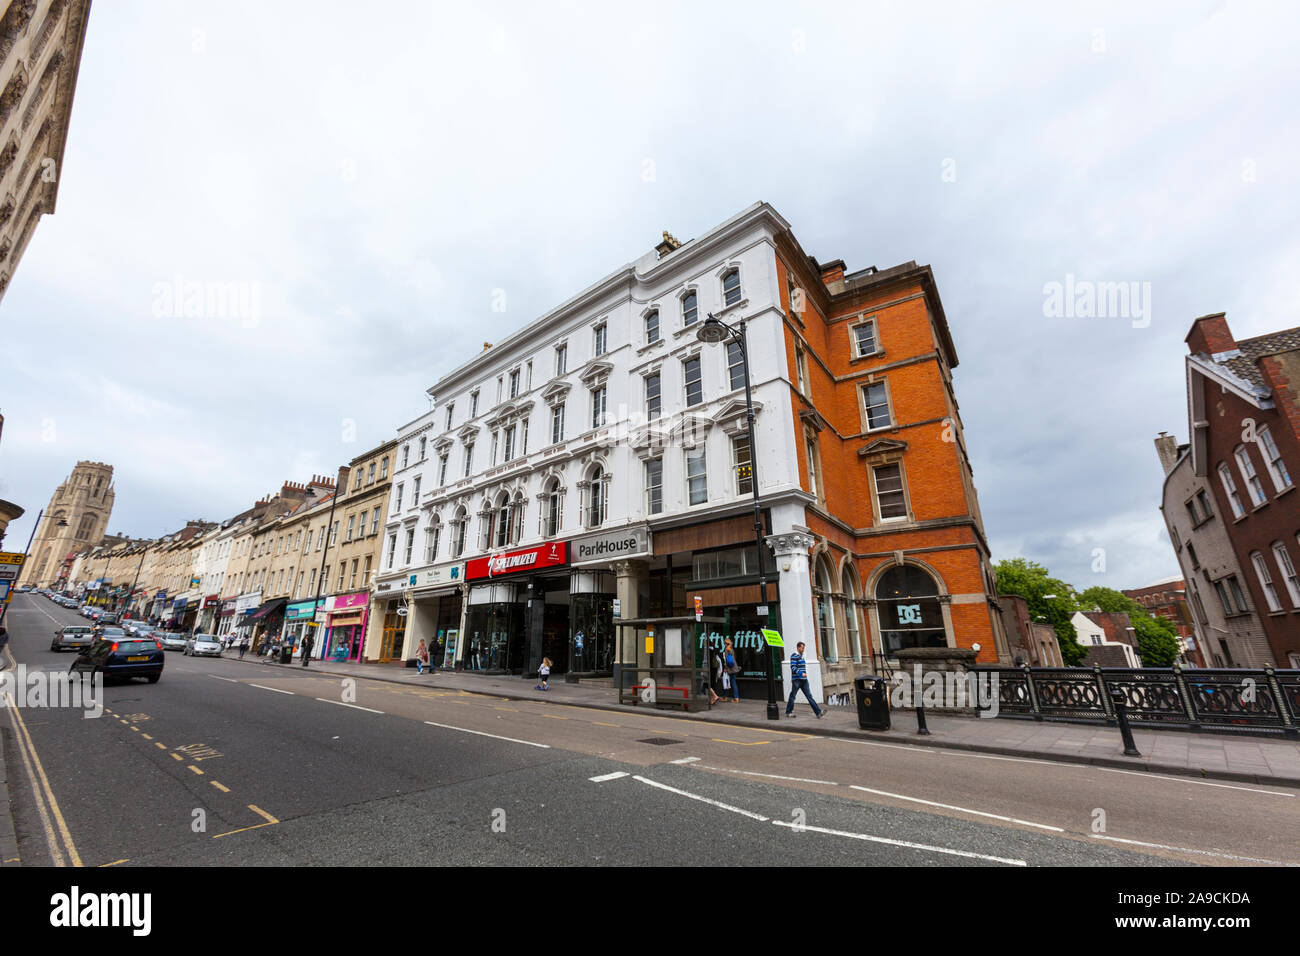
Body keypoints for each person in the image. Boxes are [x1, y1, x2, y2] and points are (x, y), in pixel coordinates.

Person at [785, 642, 825, 718]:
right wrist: (801, 673)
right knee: (793, 696)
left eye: (803, 648)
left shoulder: (801, 656)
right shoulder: (794, 656)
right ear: (798, 647)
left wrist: (804, 676)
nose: (803, 649)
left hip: (804, 680)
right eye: (802, 648)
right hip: (797, 680)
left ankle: (818, 713)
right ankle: (788, 712)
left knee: (809, 696)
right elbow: (793, 667)